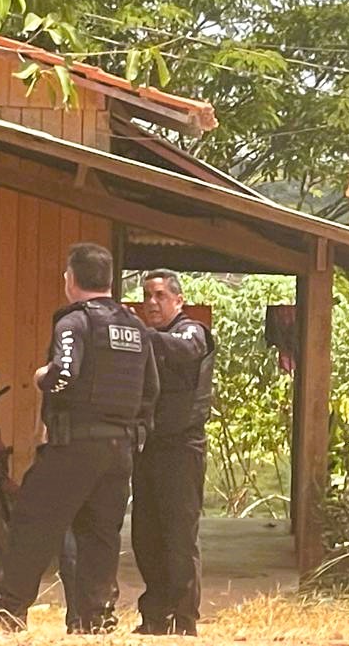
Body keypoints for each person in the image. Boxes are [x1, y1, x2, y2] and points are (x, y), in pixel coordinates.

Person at [0, 243, 158, 632]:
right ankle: (95, 618)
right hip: (120, 448)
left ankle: (8, 611)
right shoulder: (136, 328)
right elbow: (152, 390)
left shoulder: (75, 323)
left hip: (76, 444)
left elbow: (64, 374)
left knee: (33, 521)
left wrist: (41, 378)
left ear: (70, 279)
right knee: (100, 534)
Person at [132, 269, 215, 637]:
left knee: (179, 536)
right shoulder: (147, 340)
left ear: (178, 300)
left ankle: (184, 620)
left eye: (160, 295)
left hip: (182, 448)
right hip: (147, 448)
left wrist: (141, 334)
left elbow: (184, 350)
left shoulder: (191, 331)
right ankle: (155, 616)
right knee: (146, 536)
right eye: (147, 296)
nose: (152, 302)